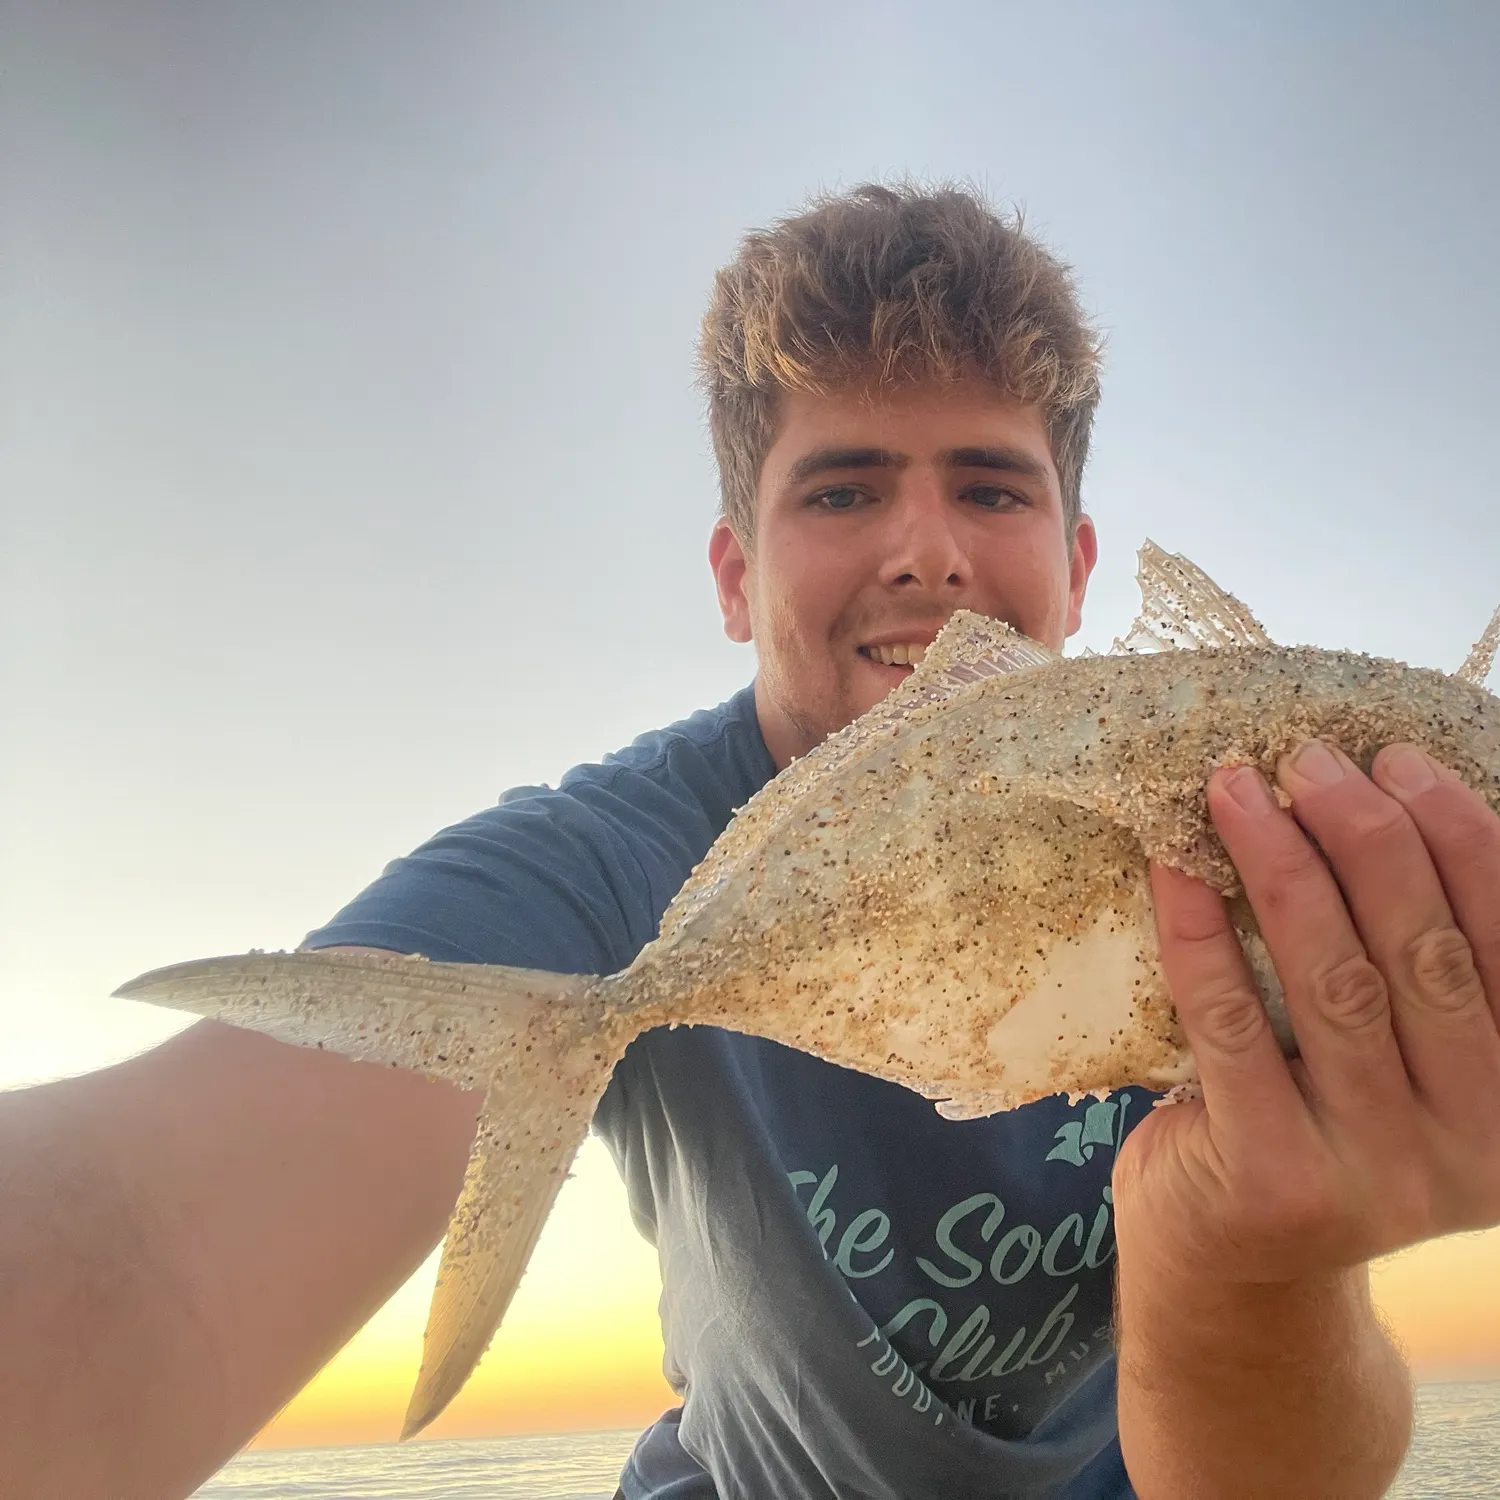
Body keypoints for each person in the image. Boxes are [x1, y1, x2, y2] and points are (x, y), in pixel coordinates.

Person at [5, 182, 1498, 1500]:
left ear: (1078, 563)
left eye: (991, 485)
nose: (928, 550)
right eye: (844, 489)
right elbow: (138, 1252)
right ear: (735, 573)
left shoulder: (1291, 831)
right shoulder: (608, 862)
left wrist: (1245, 1260)